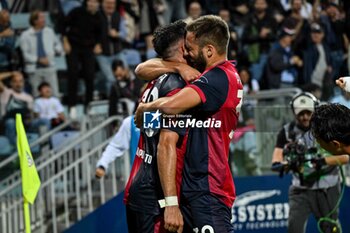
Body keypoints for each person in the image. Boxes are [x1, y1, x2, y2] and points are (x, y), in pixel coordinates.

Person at [134, 15, 243, 233]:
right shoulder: (218, 75)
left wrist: (145, 108)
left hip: (208, 187)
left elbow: (171, 107)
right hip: (195, 187)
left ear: (209, 50)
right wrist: (177, 68)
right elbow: (141, 70)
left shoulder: (215, 79)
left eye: (191, 48)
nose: (187, 54)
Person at [124, 20, 189, 233]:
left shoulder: (156, 81)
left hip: (140, 185)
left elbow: (151, 127)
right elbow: (165, 144)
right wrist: (170, 202)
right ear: (183, 48)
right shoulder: (176, 85)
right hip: (155, 191)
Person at [271, 92, 343, 233]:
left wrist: (320, 161)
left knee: (330, 228)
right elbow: (276, 160)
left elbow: (345, 157)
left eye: (308, 113)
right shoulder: (286, 132)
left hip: (327, 188)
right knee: (294, 228)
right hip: (301, 189)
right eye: (300, 113)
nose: (304, 117)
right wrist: (286, 164)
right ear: (293, 112)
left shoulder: (329, 127)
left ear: (315, 109)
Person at [62, 0, 102, 111]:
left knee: (90, 75)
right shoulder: (76, 11)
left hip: (88, 48)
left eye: (95, 2)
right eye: (91, 2)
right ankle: (72, 105)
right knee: (72, 74)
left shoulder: (99, 16)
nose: (92, 4)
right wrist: (65, 41)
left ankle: (88, 105)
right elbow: (63, 25)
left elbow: (100, 33)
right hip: (73, 46)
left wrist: (98, 44)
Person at [19, 10, 63, 97]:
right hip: (34, 69)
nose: (44, 20)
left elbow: (57, 45)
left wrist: (55, 52)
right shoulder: (25, 35)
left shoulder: (49, 31)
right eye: (42, 18)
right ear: (35, 21)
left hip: (49, 67)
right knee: (36, 95)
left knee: (54, 94)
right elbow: (25, 55)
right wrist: (39, 60)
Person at [96, 0, 128, 96]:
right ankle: (112, 104)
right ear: (102, 4)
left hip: (118, 52)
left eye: (112, 3)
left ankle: (127, 99)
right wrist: (94, 45)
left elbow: (124, 34)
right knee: (111, 79)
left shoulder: (119, 16)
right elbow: (90, 33)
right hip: (103, 55)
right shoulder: (96, 16)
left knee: (126, 74)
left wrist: (117, 34)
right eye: (107, 3)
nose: (110, 5)